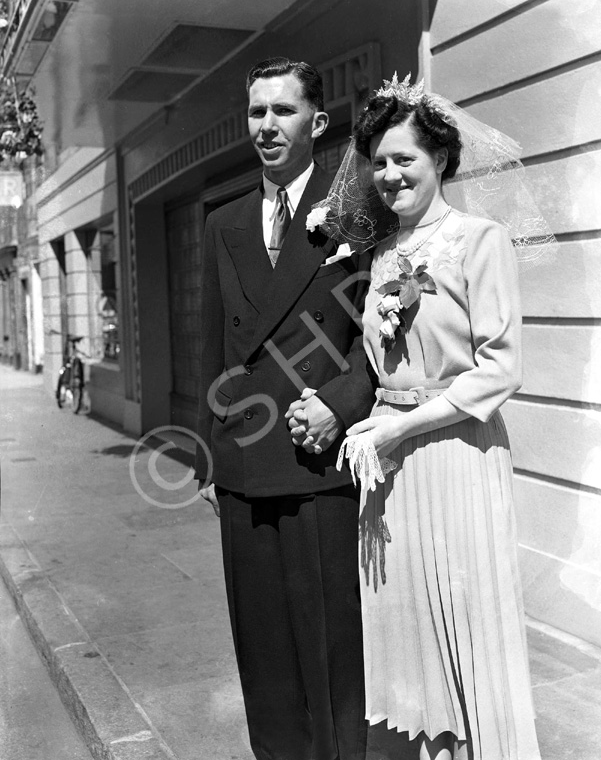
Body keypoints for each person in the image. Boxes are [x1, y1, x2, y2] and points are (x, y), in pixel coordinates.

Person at [293, 74, 554, 760]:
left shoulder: (480, 239)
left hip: (455, 453)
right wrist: (365, 419)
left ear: (439, 159)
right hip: (389, 466)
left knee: (465, 619)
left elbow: (500, 369)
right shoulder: (380, 255)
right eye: (377, 161)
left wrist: (398, 426)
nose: (388, 174)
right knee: (405, 627)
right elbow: (378, 366)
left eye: (403, 159)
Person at [194, 57, 375, 760]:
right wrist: (212, 459)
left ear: (317, 123)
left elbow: (375, 340)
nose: (266, 126)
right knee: (262, 651)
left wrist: (338, 405)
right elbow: (211, 348)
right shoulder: (222, 221)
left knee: (329, 643)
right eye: (255, 112)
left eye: (282, 111)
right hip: (243, 464)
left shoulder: (354, 216)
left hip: (315, 460)